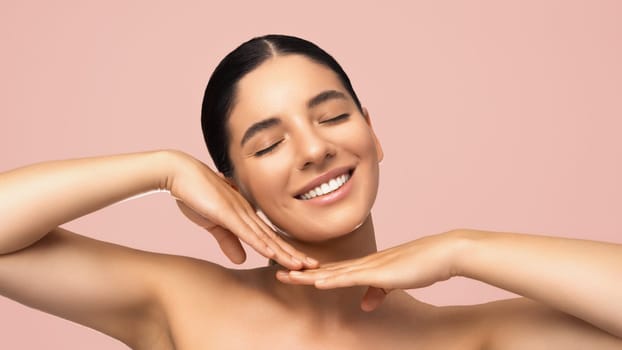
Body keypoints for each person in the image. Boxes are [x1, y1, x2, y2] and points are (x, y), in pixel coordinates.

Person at [1, 34, 621, 349]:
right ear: (231, 187)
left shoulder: (470, 338)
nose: (314, 149)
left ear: (373, 134)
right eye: (267, 145)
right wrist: (161, 168)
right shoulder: (175, 303)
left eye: (331, 117)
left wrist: (466, 249)